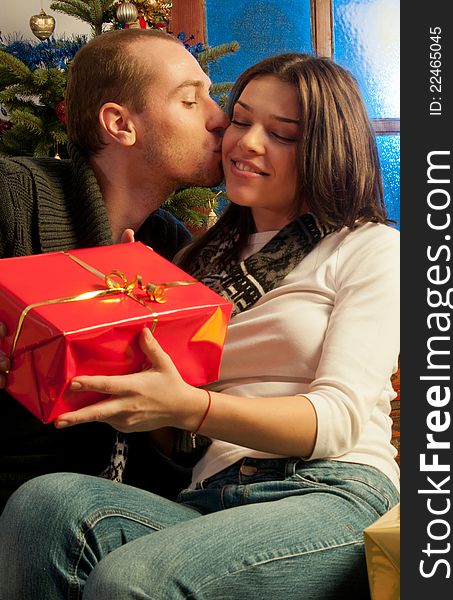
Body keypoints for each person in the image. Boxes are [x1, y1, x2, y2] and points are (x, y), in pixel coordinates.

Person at [0, 53, 399, 599]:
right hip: (210, 499)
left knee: (133, 578)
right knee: (42, 505)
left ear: (326, 149)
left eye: (281, 133)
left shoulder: (369, 247)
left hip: (328, 491)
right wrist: (111, 354)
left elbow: (335, 422)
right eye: (240, 119)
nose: (245, 142)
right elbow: (178, 436)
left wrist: (188, 406)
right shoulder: (189, 261)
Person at [0, 28, 228, 513]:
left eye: (211, 96)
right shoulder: (14, 196)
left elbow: (183, 448)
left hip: (115, 526)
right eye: (190, 101)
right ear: (120, 125)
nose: (220, 119)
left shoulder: (173, 250)